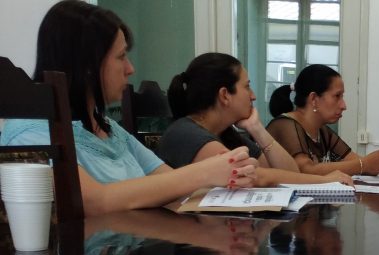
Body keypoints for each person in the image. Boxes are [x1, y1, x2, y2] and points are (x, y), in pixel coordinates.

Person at [0, 0, 258, 215]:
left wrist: (217, 174)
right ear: (88, 65)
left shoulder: (109, 128)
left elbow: (166, 182)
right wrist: (205, 173)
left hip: (137, 245)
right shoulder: (30, 133)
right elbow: (93, 201)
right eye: (121, 56)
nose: (130, 68)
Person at [159, 53, 352, 187]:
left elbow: (290, 173)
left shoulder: (227, 134)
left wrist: (256, 128)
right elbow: (259, 177)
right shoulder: (187, 134)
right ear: (225, 95)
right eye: (247, 87)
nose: (253, 96)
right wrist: (324, 180)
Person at [266, 64, 379, 178]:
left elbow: (356, 162)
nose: (344, 105)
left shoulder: (322, 131)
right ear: (313, 99)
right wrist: (365, 164)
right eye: (337, 96)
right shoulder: (285, 125)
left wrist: (377, 163)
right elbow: (305, 171)